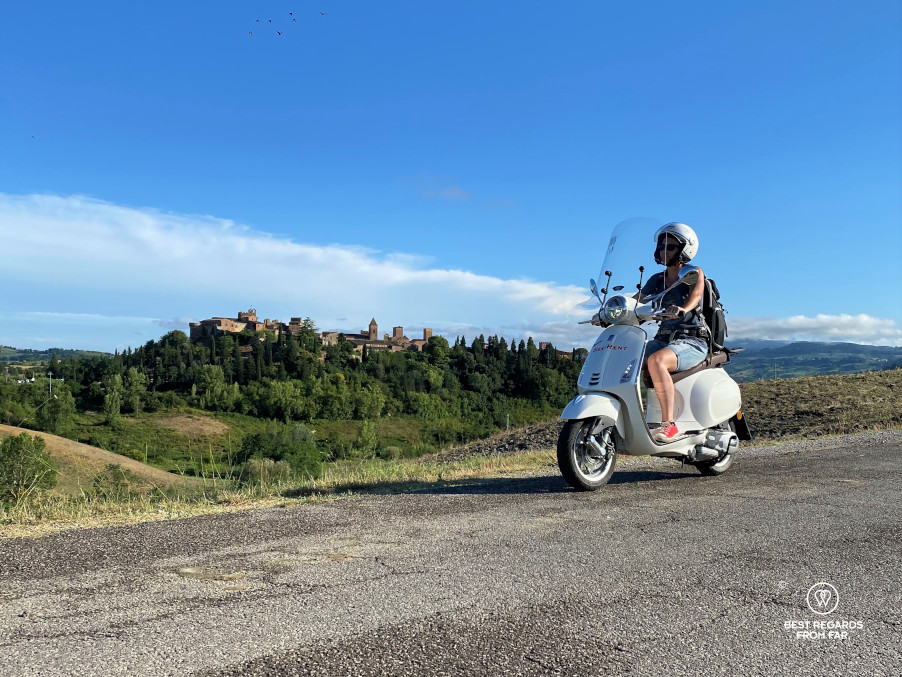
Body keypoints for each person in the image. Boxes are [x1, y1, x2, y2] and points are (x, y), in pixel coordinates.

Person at [639, 222, 709, 443]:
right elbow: (636, 300)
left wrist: (682, 308)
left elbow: (696, 296)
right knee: (626, 357)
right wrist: (611, 310)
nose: (663, 251)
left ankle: (669, 425)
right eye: (661, 246)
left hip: (692, 340)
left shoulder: (693, 273)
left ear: (683, 250)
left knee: (657, 361)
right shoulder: (656, 280)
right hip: (664, 339)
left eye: (670, 247)